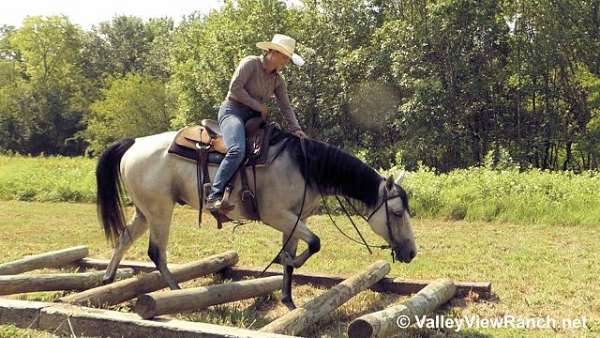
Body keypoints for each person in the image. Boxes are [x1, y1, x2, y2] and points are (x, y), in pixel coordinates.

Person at [206, 34, 306, 210]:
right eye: (284, 57)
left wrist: (295, 128)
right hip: (232, 111)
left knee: (273, 150)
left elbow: (285, 106)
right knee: (237, 150)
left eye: (288, 59)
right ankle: (213, 194)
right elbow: (235, 88)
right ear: (272, 53)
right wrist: (258, 106)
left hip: (254, 119)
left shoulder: (278, 80)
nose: (286, 62)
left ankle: (253, 196)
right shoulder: (250, 63)